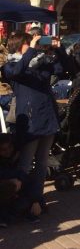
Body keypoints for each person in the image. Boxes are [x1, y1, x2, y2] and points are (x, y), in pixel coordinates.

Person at [1, 32, 58, 214]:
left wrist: (58, 50)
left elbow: (60, 68)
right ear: (19, 46)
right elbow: (17, 72)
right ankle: (19, 202)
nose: (35, 45)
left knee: (42, 163)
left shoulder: (39, 63)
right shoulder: (10, 66)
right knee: (25, 165)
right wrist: (32, 49)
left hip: (47, 118)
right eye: (29, 43)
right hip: (30, 122)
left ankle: (37, 199)